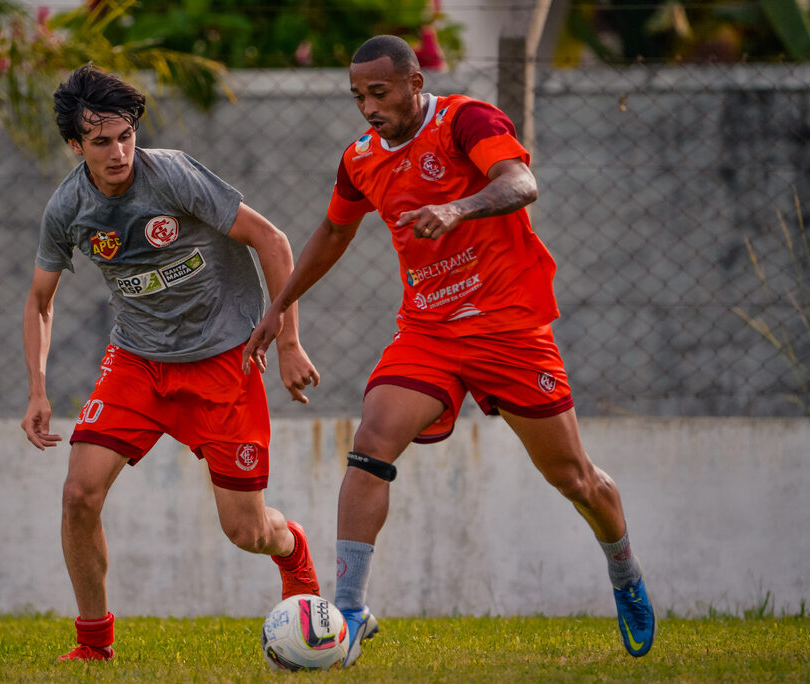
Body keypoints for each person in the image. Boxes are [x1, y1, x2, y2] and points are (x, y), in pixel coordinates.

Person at [243, 35, 655, 666]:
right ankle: (349, 614)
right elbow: (332, 231)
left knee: (575, 478)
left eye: (379, 93)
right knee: (371, 443)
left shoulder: (465, 119)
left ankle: (624, 573)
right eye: (358, 97)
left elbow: (520, 181)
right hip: (429, 331)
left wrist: (459, 208)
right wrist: (280, 306)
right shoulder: (360, 159)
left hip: (509, 327)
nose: (368, 108)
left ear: (415, 83)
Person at [21, 64, 322, 662]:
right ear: (76, 146)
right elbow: (39, 302)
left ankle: (293, 551)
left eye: (126, 136)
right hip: (137, 362)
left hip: (223, 362)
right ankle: (94, 646)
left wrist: (288, 341)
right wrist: (37, 390)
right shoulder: (68, 209)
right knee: (79, 494)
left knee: (246, 531)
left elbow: (273, 241)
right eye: (101, 142)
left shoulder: (173, 174)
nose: (118, 152)